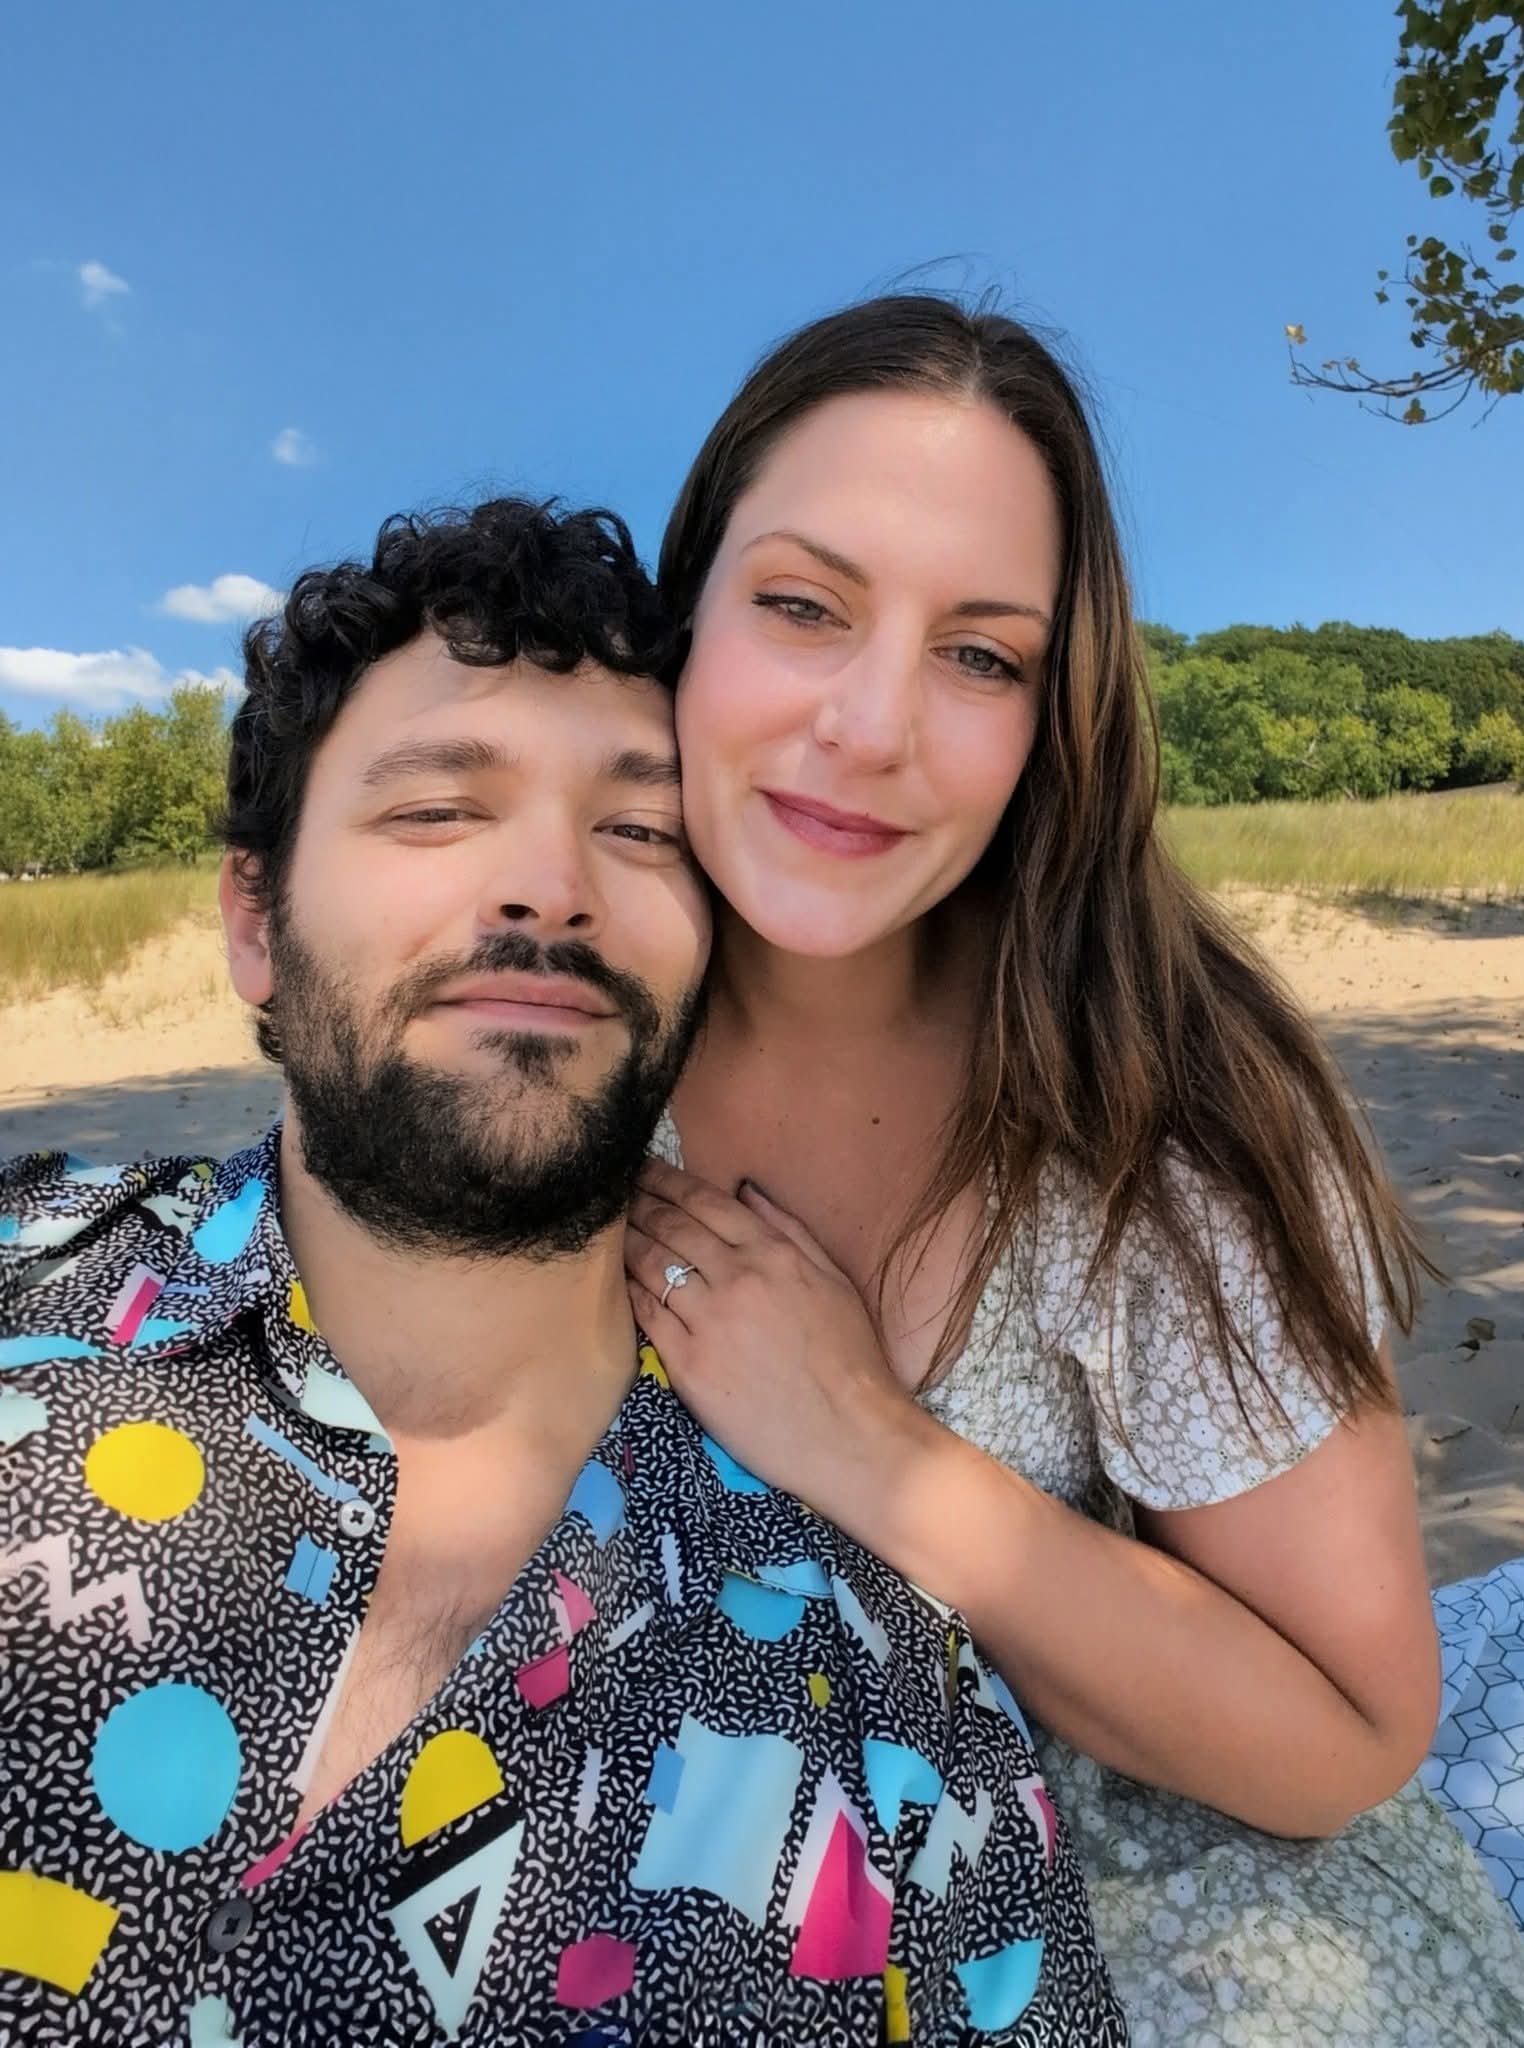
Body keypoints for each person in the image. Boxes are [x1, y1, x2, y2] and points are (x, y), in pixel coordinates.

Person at [0, 498, 1127, 2047]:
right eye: (438, 811)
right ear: (255, 920)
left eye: (641, 830)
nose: (549, 888)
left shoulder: (884, 1707)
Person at [621, 295, 1524, 2045]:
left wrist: (869, 1448)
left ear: (1059, 714)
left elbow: (1346, 1733)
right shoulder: (548, 1035)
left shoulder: (1146, 1113)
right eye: (803, 606)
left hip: (1127, 1907)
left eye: (982, 655)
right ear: (686, 619)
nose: (873, 725)